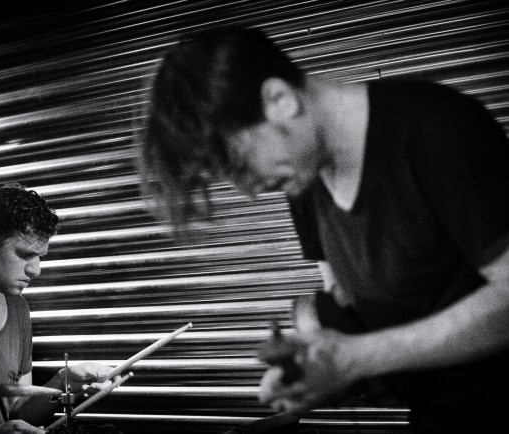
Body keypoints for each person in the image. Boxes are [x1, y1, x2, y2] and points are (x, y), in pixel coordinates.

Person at [141, 26, 509, 433]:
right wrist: (314, 365)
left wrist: (356, 358)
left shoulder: (438, 129)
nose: (250, 192)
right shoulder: (304, 179)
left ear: (280, 100)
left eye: (241, 166)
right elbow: (350, 310)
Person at [0, 184, 114, 434]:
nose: (36, 270)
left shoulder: (18, 308)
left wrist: (63, 381)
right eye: (24, 254)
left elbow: (17, 412)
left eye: (40, 256)